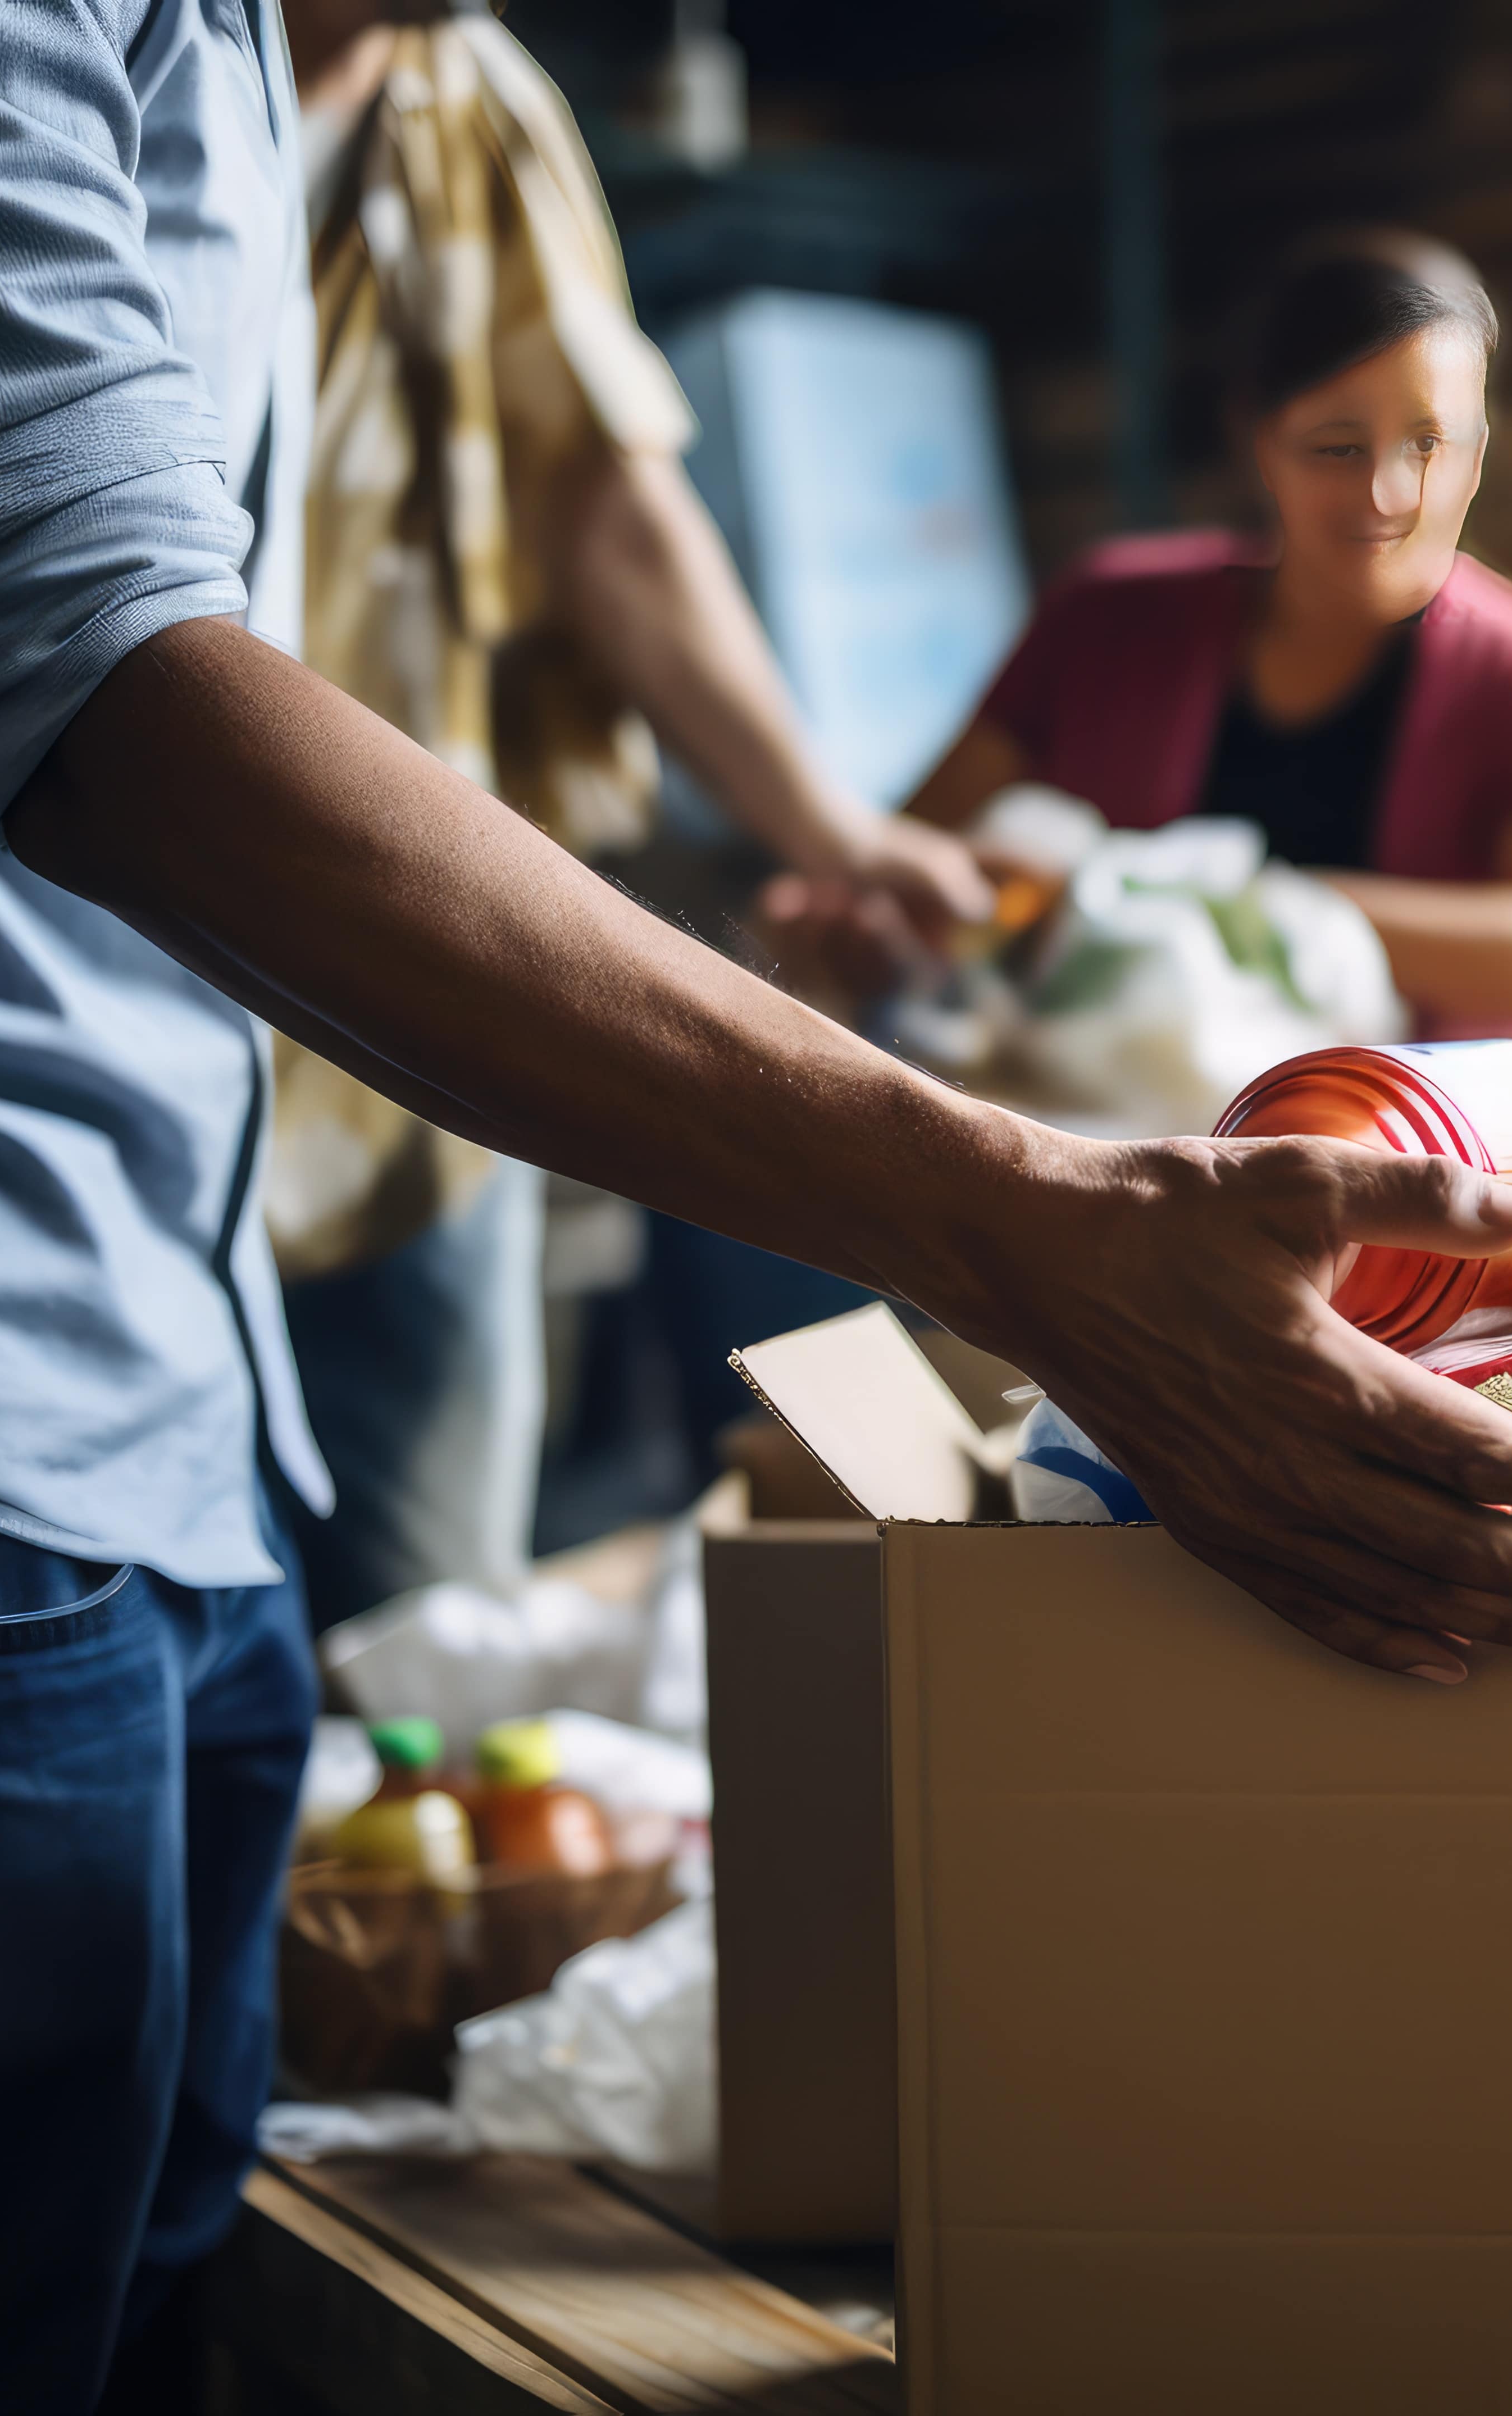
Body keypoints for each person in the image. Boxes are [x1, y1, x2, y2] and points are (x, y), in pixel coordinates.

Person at [0, 15, 1512, 2408]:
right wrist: (1027, 1221)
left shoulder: (397, 90)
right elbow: (84, 661)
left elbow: (603, 503)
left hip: (174, 1352)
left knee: (144, 2282)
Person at [269, 0, 995, 1626]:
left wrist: (830, 828)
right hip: (98, 1010)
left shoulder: (471, 98)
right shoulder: (84, 62)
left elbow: (604, 490)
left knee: (419, 1656)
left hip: (402, 1035)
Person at [894, 230, 1512, 1047]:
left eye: (1427, 442)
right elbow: (912, 854)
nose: (1386, 493)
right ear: (1257, 439)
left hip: (1407, 1140)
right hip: (1096, 1120)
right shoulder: (1107, 619)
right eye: (1338, 445)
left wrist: (1203, 895)